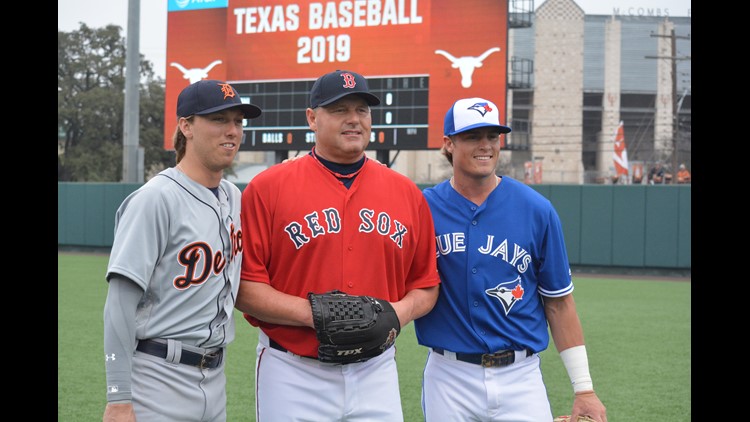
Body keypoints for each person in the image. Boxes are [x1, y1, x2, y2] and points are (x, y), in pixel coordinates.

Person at [235, 69, 441, 421]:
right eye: (339, 109)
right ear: (312, 118)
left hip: (375, 371)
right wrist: (316, 315)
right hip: (292, 372)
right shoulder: (267, 188)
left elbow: (425, 285)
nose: (353, 120)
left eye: (361, 109)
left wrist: (393, 314)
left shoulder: (407, 194)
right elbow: (245, 288)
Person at [414, 97, 607, 422]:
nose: (486, 145)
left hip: (521, 377)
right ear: (448, 143)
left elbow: (559, 303)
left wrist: (584, 388)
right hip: (449, 377)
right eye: (474, 136)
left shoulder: (536, 209)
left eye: (493, 136)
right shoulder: (423, 208)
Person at [102, 80, 261, 422]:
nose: (232, 130)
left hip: (215, 378)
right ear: (186, 126)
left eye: (238, 121)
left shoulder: (234, 197)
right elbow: (119, 303)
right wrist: (118, 397)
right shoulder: (156, 199)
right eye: (219, 120)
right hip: (157, 376)